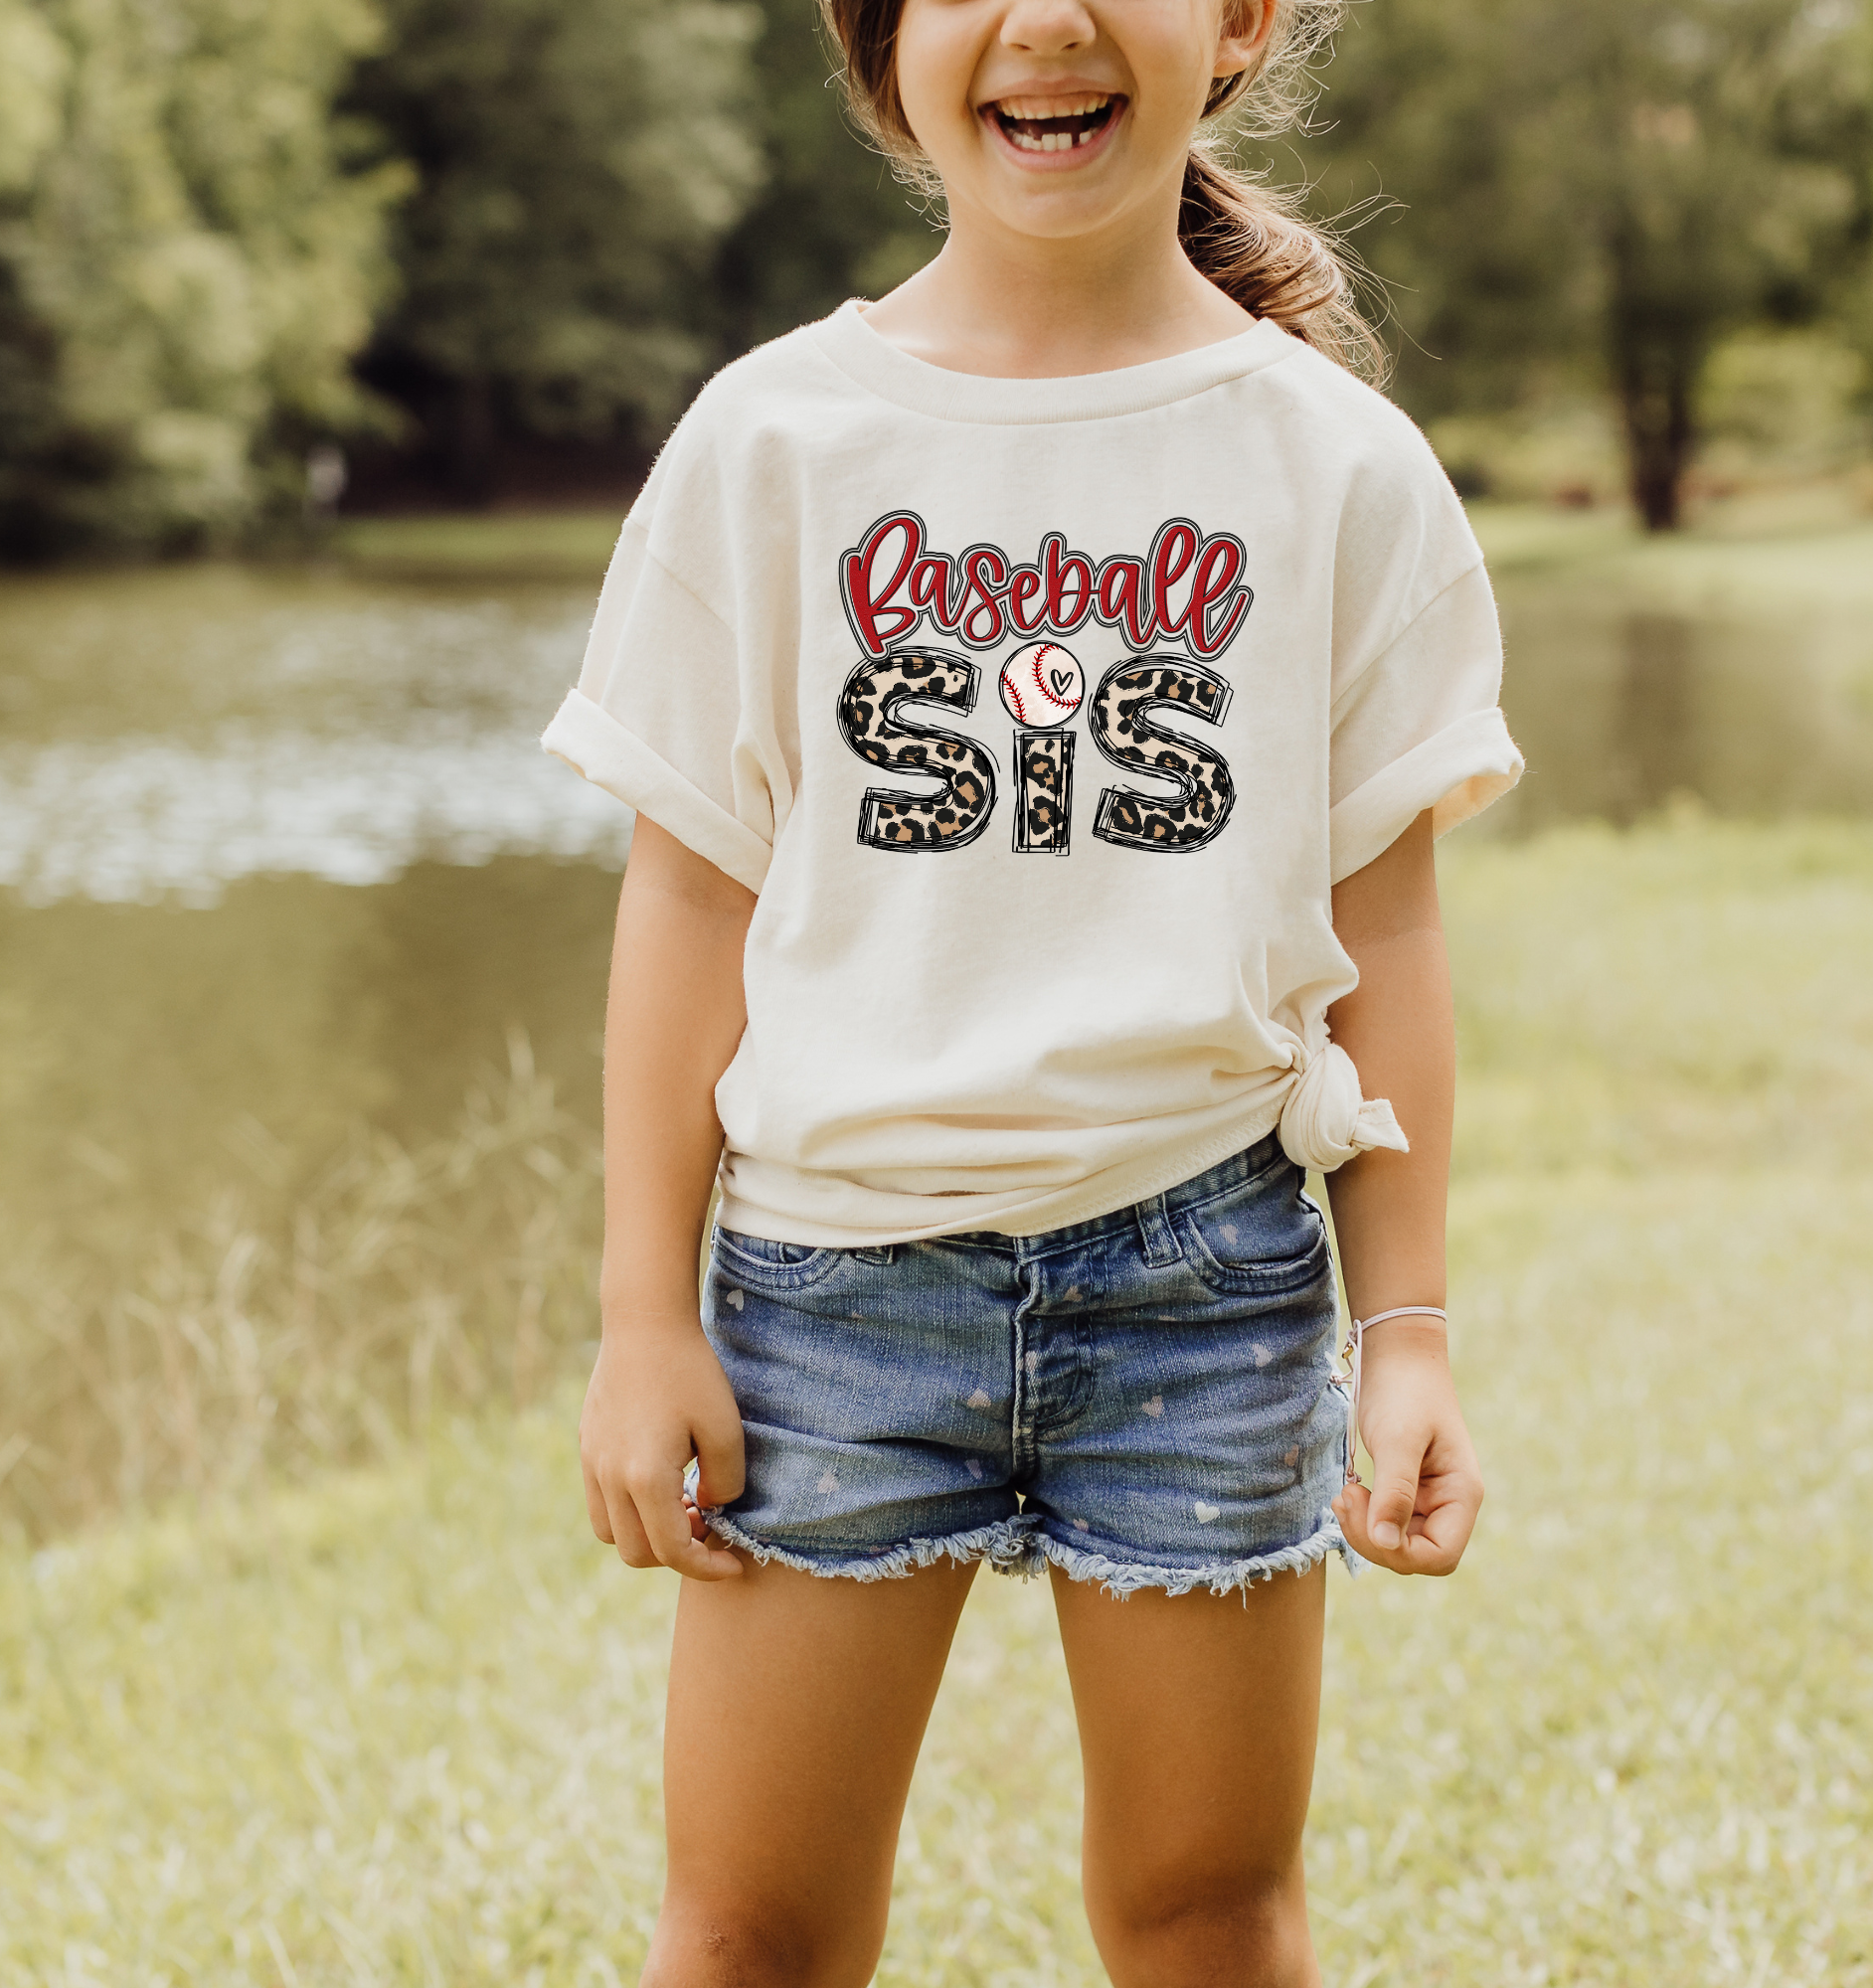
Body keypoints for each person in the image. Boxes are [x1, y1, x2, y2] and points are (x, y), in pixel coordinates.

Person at [543, 1, 1523, 1979]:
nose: (1047, 20)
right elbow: (685, 911)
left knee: (1202, 1908)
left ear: (1237, 20)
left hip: (1205, 1294)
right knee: (746, 1926)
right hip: (829, 1294)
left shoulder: (1331, 467)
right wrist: (644, 1314)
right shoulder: (770, 441)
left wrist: (1401, 1326)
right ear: (880, 38)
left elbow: (1385, 938)